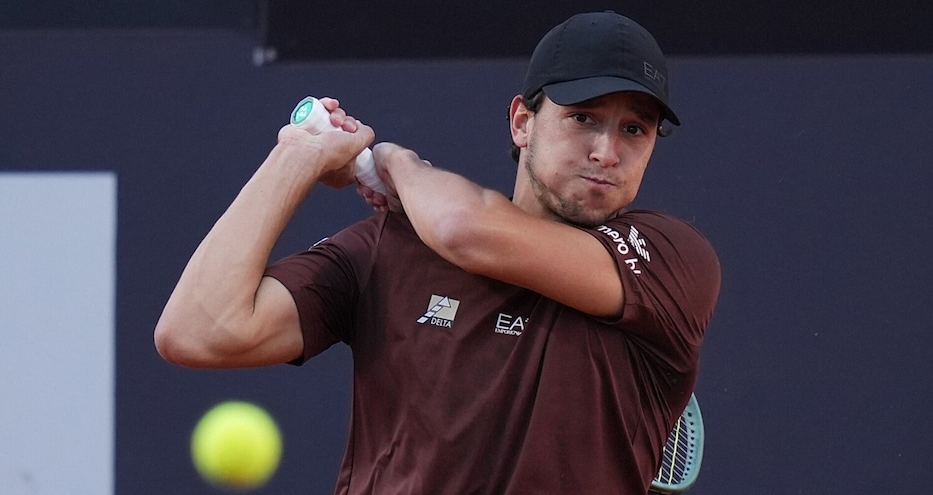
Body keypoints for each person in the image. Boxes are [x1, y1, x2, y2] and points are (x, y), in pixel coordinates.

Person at [155, 10, 720, 495]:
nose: (606, 151)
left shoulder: (670, 260)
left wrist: (397, 161)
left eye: (634, 130)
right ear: (523, 121)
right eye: (583, 118)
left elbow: (463, 230)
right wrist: (298, 158)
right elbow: (199, 330)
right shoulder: (389, 248)